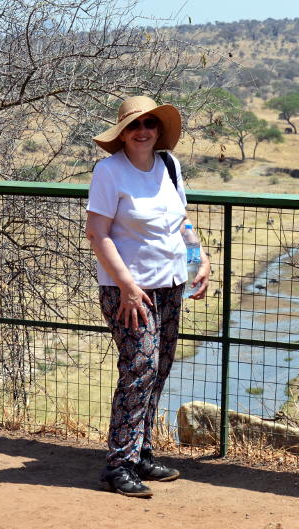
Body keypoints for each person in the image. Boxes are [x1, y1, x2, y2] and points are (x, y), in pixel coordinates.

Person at [85, 95, 210, 498]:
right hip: (129, 292)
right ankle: (119, 465)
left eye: (150, 125)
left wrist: (198, 259)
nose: (143, 132)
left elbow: (182, 221)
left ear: (159, 131)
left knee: (158, 370)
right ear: (122, 132)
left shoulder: (169, 166)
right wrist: (125, 285)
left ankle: (141, 453)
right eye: (135, 125)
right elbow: (97, 233)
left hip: (171, 284)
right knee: (138, 369)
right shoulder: (109, 172)